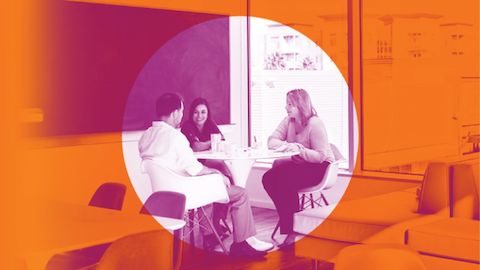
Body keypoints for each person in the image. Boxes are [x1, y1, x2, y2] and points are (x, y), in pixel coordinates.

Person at [138, 93, 273, 257]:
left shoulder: (147, 136)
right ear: (174, 112)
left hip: (163, 194)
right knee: (240, 193)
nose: (182, 115)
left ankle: (214, 233)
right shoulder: (175, 137)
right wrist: (216, 173)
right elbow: (194, 168)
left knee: (220, 180)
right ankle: (243, 243)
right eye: (181, 111)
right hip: (186, 192)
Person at [262, 88, 335, 248]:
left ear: (301, 105)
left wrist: (299, 150)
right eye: (286, 104)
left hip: (320, 167)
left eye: (290, 104)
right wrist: (290, 146)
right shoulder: (289, 120)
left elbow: (321, 155)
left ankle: (293, 230)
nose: (286, 108)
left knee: (285, 179)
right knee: (268, 178)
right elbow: (271, 141)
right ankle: (289, 221)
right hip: (301, 164)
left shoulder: (315, 123)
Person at [181, 97, 232, 239]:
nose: (200, 116)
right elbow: (195, 146)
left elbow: (222, 141)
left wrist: (210, 142)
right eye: (196, 112)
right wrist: (211, 142)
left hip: (207, 163)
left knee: (226, 172)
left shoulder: (210, 124)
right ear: (191, 114)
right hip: (194, 167)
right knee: (217, 176)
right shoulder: (187, 126)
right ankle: (212, 228)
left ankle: (218, 218)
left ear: (208, 113)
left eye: (203, 112)